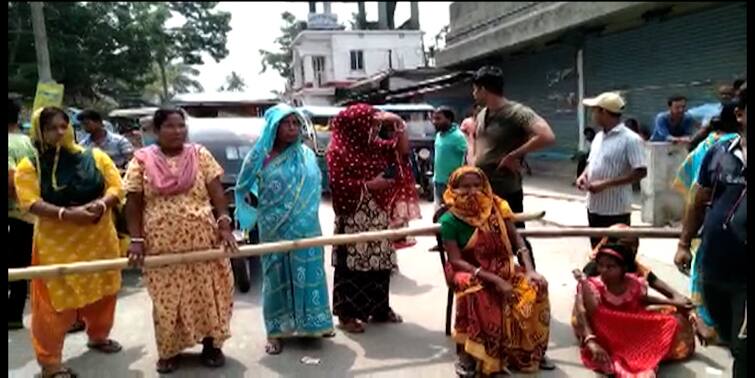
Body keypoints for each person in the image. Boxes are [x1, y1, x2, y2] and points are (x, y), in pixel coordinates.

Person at [124, 108, 237, 374]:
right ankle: (169, 351)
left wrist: (224, 224)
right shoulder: (140, 161)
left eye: (180, 126)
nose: (177, 131)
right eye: (170, 127)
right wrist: (136, 240)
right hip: (162, 247)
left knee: (209, 295)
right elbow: (133, 202)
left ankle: (211, 346)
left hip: (203, 243)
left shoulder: (200, 155)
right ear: (156, 130)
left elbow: (217, 193)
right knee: (167, 300)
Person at [14, 107, 124, 378]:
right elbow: (29, 201)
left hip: (98, 239)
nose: (60, 132)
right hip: (56, 245)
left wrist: (101, 203)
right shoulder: (31, 163)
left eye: (64, 126)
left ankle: (98, 336)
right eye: (52, 128)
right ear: (40, 131)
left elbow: (117, 187)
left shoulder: (95, 156)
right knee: (54, 302)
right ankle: (50, 363)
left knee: (103, 290)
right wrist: (66, 214)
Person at [234, 104, 334, 355]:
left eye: (296, 123)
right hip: (274, 228)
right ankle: (276, 331)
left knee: (310, 274)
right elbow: (242, 187)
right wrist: (249, 212)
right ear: (273, 127)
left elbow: (316, 187)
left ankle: (314, 325)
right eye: (286, 123)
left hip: (307, 227)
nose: (293, 128)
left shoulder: (307, 154)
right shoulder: (260, 155)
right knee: (276, 277)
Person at [439, 167, 552, 376]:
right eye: (465, 186)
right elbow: (455, 260)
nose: (472, 191)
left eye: (477, 185)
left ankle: (529, 350)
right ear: (454, 188)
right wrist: (494, 280)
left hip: (501, 265)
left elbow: (517, 238)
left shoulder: (497, 206)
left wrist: (530, 269)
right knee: (476, 292)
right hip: (466, 269)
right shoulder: (449, 219)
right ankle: (469, 355)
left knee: (537, 286)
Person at [675, 85, 746, 377]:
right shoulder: (718, 152)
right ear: (740, 114)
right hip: (715, 265)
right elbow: (698, 200)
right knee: (728, 335)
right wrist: (683, 242)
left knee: (743, 347)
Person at [326, 103, 409, 334]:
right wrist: (372, 184)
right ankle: (347, 314)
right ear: (356, 126)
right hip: (353, 214)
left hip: (377, 214)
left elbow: (402, 151)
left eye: (376, 126)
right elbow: (338, 185)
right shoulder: (337, 151)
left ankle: (379, 308)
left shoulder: (374, 147)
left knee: (380, 263)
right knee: (351, 266)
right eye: (370, 125)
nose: (374, 130)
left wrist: (398, 123)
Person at [472, 66, 556, 268]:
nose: (473, 94)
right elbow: (477, 144)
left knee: (515, 237)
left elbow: (547, 136)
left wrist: (514, 155)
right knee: (487, 240)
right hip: (483, 190)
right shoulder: (482, 114)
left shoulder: (516, 112)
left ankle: (530, 279)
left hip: (506, 190)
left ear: (484, 89)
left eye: (475, 89)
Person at [572, 243, 695, 377]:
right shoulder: (592, 285)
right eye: (601, 265)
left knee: (673, 320)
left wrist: (673, 302)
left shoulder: (634, 282)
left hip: (632, 326)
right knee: (622, 352)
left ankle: (645, 358)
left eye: (610, 267)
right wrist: (591, 340)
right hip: (608, 333)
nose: (603, 270)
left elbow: (643, 299)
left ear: (623, 268)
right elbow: (586, 311)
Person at [577, 92, 646, 247]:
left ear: (604, 112)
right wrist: (584, 175)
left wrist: (605, 184)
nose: (592, 114)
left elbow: (640, 171)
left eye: (595, 110)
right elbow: (591, 162)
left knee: (616, 252)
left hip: (615, 210)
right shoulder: (598, 137)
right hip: (594, 206)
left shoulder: (630, 139)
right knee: (597, 250)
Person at [8, 98, 37, 330]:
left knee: (16, 265)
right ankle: (15, 313)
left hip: (14, 213)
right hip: (30, 213)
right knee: (24, 262)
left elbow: (11, 179)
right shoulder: (29, 142)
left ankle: (13, 314)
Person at [431, 106, 467, 206]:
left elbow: (467, 156)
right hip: (438, 181)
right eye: (434, 119)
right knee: (440, 215)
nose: (434, 122)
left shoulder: (458, 136)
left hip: (452, 183)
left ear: (449, 119)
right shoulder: (439, 135)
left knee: (452, 212)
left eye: (438, 119)